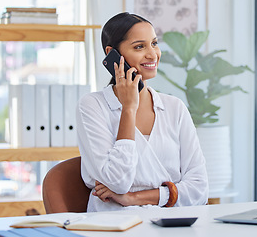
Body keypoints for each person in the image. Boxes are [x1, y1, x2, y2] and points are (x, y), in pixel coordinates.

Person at [76, 12, 209, 212]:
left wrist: (133, 197)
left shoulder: (175, 108)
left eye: (154, 43)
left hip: (172, 224)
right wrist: (128, 109)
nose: (152, 54)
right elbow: (116, 181)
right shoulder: (92, 106)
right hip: (115, 225)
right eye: (139, 46)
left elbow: (199, 189)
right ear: (113, 53)